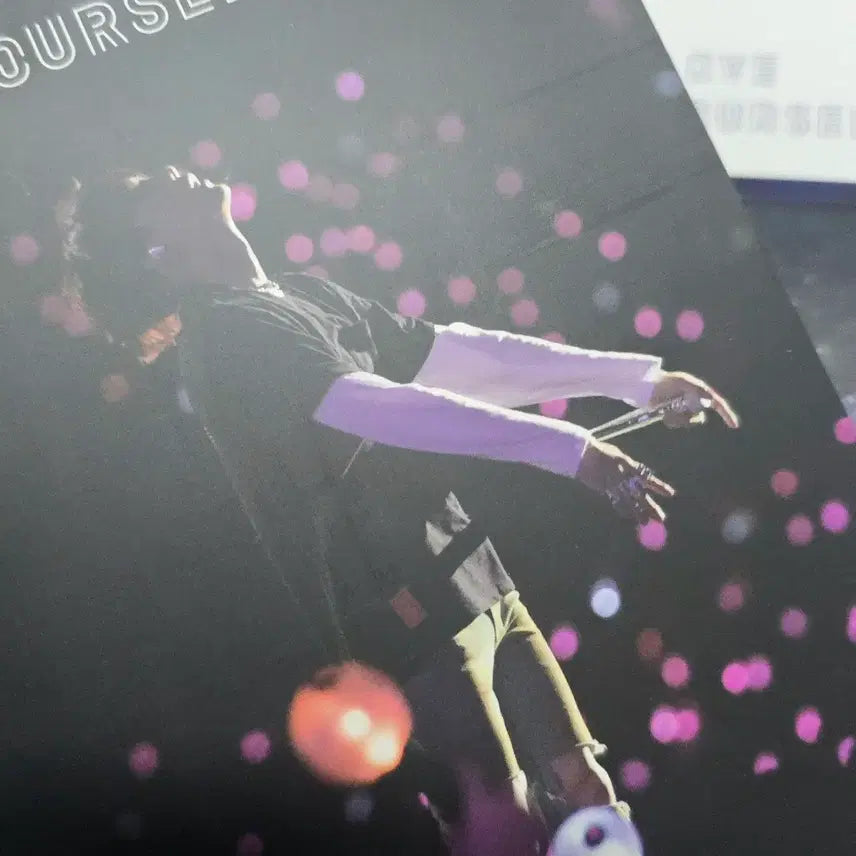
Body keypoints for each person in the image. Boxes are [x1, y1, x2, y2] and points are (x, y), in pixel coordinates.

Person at [54, 165, 740, 844]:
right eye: (151, 190)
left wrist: (636, 382)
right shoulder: (224, 336)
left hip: (475, 575)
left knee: (587, 789)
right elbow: (379, 409)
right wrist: (573, 450)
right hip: (403, 618)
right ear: (157, 251)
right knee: (504, 829)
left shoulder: (299, 294)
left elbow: (458, 357)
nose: (173, 171)